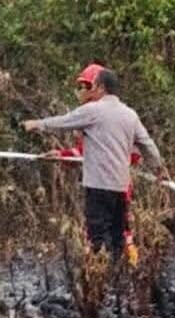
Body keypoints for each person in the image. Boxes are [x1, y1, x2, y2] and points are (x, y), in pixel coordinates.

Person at [23, 64, 166, 260]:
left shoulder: (94, 110)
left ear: (99, 87)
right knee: (117, 238)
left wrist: (37, 124)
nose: (85, 91)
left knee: (97, 239)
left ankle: (100, 279)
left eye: (89, 86)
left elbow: (64, 122)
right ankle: (117, 277)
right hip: (121, 189)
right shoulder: (130, 115)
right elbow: (148, 146)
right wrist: (159, 169)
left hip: (98, 187)